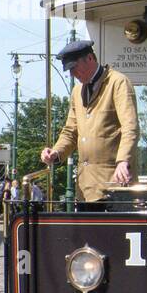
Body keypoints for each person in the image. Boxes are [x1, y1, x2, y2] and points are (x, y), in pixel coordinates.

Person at [41, 40, 139, 204]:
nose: (72, 74)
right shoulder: (77, 91)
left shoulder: (118, 83)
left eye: (74, 67)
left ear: (90, 58)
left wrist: (123, 161)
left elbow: (130, 127)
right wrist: (56, 152)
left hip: (114, 184)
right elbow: (70, 132)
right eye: (69, 70)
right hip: (85, 188)